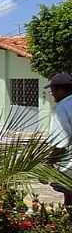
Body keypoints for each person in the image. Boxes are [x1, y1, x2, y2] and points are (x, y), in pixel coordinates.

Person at [47, 72, 72, 211]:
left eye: (53, 90)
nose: (52, 94)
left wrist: (46, 166)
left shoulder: (61, 108)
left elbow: (60, 144)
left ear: (63, 90)